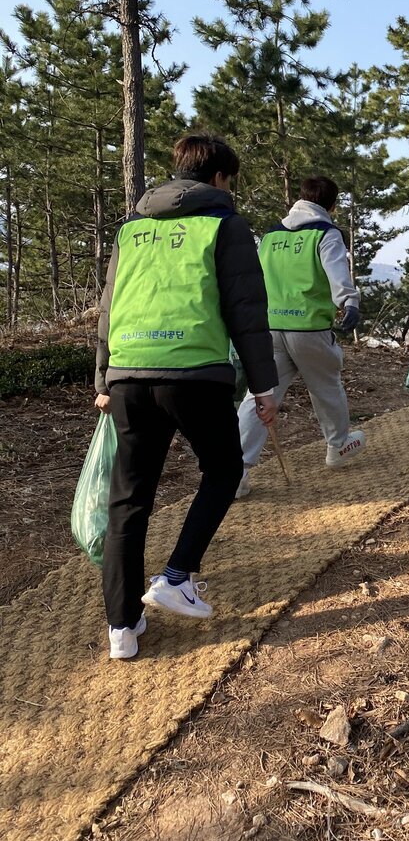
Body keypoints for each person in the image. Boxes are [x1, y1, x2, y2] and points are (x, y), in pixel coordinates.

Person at [94, 133, 278, 661]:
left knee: (128, 502)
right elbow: (247, 311)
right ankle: (176, 576)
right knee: (223, 470)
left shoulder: (132, 229)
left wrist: (104, 379)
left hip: (129, 374)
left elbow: (109, 306)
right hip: (195, 372)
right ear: (219, 178)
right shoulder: (224, 224)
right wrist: (264, 389)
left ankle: (122, 629)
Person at [236, 175, 364, 496]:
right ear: (332, 205)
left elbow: (254, 277)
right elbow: (337, 275)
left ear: (300, 198)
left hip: (269, 328)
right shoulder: (326, 234)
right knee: (326, 386)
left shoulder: (270, 236)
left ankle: (234, 472)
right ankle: (337, 446)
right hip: (309, 328)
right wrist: (349, 303)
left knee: (260, 396)